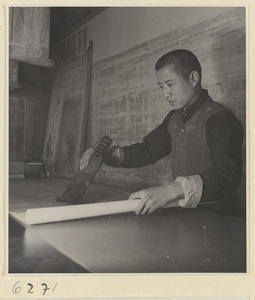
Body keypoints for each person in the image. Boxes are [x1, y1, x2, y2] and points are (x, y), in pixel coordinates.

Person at [81, 49, 244, 217]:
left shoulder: (221, 119)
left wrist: (171, 190)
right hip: (186, 215)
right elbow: (146, 150)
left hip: (220, 218)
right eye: (161, 87)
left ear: (193, 78)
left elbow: (227, 174)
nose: (166, 94)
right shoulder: (173, 119)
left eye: (170, 84)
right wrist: (104, 155)